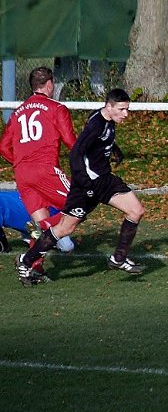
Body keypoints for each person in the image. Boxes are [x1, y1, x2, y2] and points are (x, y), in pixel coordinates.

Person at [16, 88, 145, 286]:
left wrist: (115, 150)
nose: (126, 114)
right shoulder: (96, 125)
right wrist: (85, 184)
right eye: (122, 109)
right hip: (85, 185)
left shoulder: (108, 121)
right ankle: (25, 262)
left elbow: (103, 140)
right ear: (109, 106)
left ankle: (118, 258)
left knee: (136, 210)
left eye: (127, 109)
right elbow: (76, 154)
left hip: (105, 180)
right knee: (64, 229)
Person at [0, 66, 77, 250]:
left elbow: (3, 147)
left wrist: (20, 162)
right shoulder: (56, 108)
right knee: (81, 202)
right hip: (44, 169)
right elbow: (71, 142)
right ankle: (43, 226)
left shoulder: (18, 112)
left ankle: (32, 266)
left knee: (46, 234)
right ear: (49, 85)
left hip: (22, 173)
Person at [0, 190, 74, 253]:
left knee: (66, 247)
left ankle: (36, 236)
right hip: (28, 220)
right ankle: (31, 235)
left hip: (46, 221)